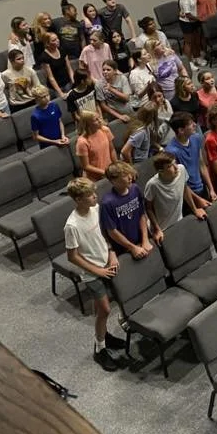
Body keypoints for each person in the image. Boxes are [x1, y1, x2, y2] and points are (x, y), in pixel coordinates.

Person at [63, 177, 122, 372]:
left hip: (106, 264)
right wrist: (97, 271)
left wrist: (112, 253)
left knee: (103, 308)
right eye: (89, 195)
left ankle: (104, 334)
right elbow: (72, 256)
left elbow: (105, 234)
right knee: (104, 309)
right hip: (92, 273)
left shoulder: (97, 210)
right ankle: (99, 348)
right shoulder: (72, 225)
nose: (95, 196)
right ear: (78, 199)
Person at [144, 151, 207, 241]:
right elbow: (148, 209)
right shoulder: (152, 185)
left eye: (175, 163)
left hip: (178, 222)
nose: (176, 167)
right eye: (170, 166)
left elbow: (185, 190)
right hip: (162, 229)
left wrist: (195, 209)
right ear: (161, 171)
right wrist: (157, 229)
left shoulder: (181, 169)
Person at [99, 161, 151, 258]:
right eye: (124, 176)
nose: (130, 177)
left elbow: (142, 215)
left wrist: (145, 239)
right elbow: (112, 232)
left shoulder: (135, 189)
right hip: (123, 248)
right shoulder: (107, 203)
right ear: (113, 181)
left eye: (129, 173)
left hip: (140, 240)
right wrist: (132, 247)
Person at [166, 112, 216, 202]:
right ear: (181, 130)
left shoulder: (196, 138)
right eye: (190, 124)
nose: (195, 125)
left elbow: (202, 165)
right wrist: (198, 200)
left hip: (202, 188)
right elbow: (180, 182)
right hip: (188, 195)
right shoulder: (171, 151)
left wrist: (211, 189)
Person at [75, 111, 116, 180]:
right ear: (88, 124)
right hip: (94, 178)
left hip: (109, 171)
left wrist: (116, 165)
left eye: (99, 118)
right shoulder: (82, 142)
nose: (100, 121)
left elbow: (112, 150)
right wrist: (105, 173)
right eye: (96, 120)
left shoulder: (105, 130)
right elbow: (86, 166)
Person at [1, 48, 39, 112]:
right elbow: (5, 88)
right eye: (19, 59)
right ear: (11, 61)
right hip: (16, 105)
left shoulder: (30, 71)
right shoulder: (5, 74)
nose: (22, 60)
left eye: (23, 58)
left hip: (31, 101)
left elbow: (38, 86)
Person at [177, 0, 203, 64]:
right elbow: (188, 14)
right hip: (187, 23)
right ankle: (189, 62)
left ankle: (197, 57)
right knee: (189, 43)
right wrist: (199, 19)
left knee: (196, 40)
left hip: (194, 21)